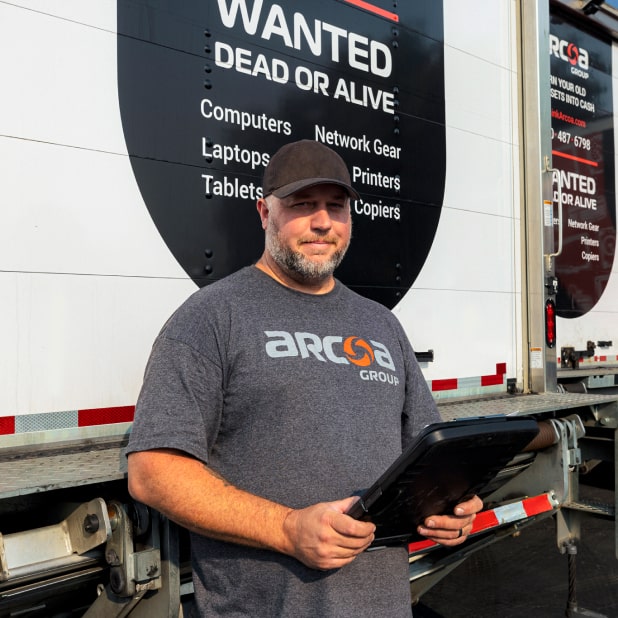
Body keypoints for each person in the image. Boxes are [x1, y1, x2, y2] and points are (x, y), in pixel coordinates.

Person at [126, 139, 482, 616]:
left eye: (336, 207)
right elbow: (152, 472)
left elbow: (424, 450)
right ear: (264, 212)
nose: (322, 222)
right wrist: (287, 529)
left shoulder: (381, 325)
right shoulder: (211, 318)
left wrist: (445, 507)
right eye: (302, 205)